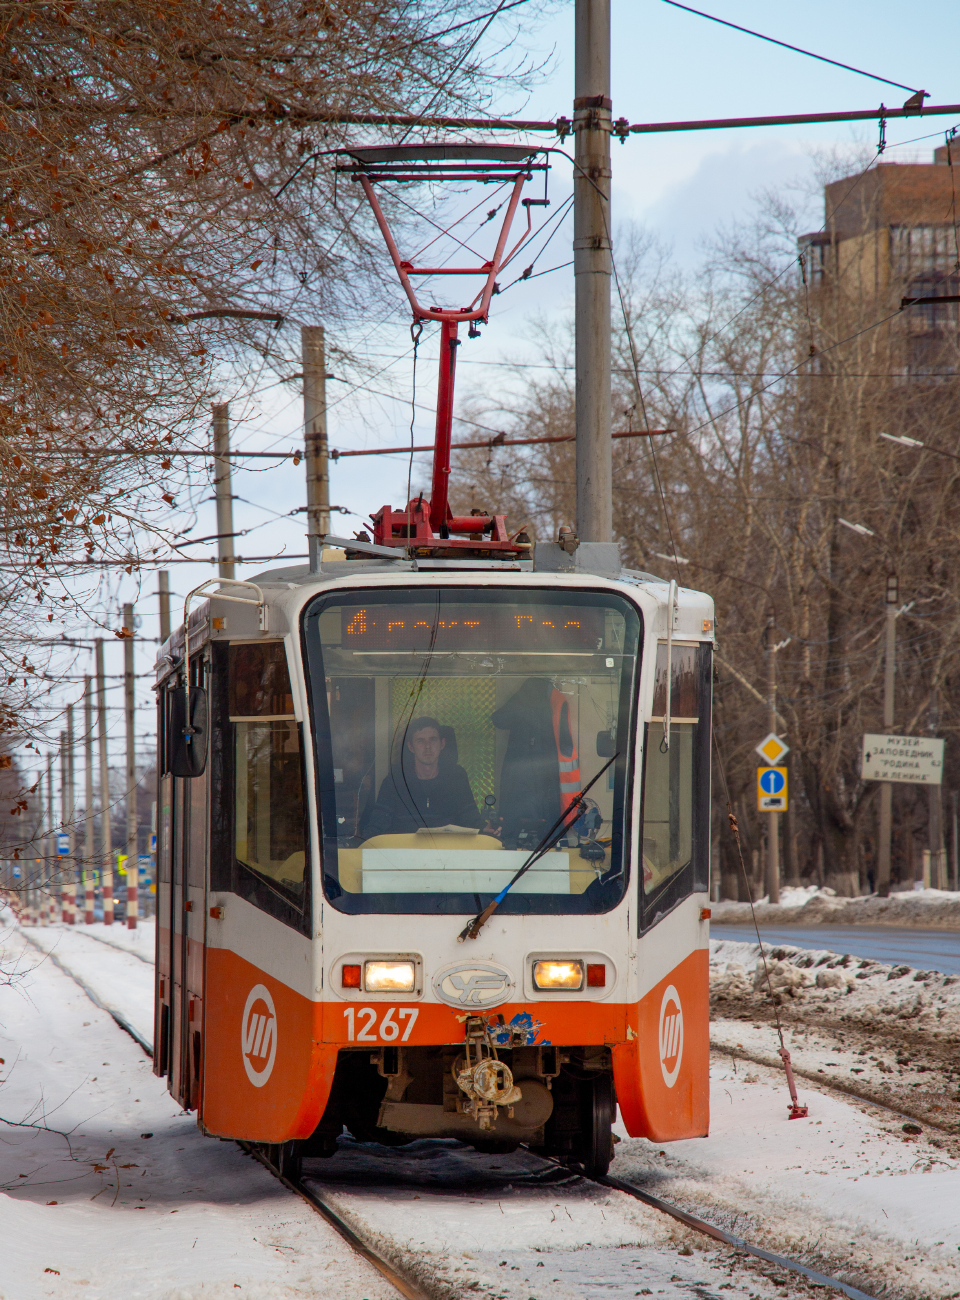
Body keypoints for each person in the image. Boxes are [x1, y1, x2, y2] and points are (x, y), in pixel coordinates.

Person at [362, 716, 482, 837]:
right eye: (420, 741)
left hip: (447, 851)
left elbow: (470, 817)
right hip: (405, 852)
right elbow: (378, 823)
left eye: (433, 739)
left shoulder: (456, 777)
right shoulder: (395, 780)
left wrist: (487, 829)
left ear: (442, 744)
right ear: (411, 747)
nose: (428, 746)